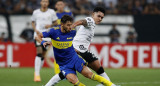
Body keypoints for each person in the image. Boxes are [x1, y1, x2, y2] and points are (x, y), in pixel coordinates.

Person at [36, 15, 115, 86]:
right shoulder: (53, 31)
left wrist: (76, 49)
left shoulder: (73, 32)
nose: (70, 27)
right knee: (76, 83)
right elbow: (37, 36)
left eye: (71, 25)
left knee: (90, 75)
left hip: (74, 59)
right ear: (62, 24)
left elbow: (72, 43)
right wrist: (42, 42)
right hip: (64, 64)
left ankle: (111, 85)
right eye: (68, 25)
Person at [31, 0, 58, 82]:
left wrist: (50, 25)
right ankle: (37, 74)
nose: (44, 3)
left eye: (46, 2)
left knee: (43, 55)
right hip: (39, 35)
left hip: (47, 36)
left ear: (48, 3)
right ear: (41, 3)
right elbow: (32, 22)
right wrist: (35, 30)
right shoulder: (36, 12)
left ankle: (38, 70)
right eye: (43, 1)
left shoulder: (52, 12)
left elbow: (56, 22)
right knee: (39, 52)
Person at [53, 0, 73, 74]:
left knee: (68, 53)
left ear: (64, 5)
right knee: (57, 54)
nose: (60, 6)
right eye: (58, 4)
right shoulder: (53, 14)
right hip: (57, 37)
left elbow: (71, 24)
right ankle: (58, 72)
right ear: (56, 6)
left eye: (61, 4)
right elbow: (52, 26)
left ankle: (67, 71)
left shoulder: (68, 13)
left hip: (67, 36)